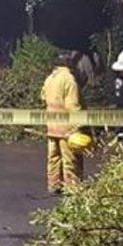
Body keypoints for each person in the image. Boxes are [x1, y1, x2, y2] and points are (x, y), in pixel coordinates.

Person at [40, 52, 82, 193]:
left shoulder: (50, 78)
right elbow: (73, 105)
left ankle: (54, 184)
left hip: (52, 125)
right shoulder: (69, 79)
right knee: (70, 158)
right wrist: (79, 126)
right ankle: (72, 187)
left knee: (53, 157)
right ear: (68, 63)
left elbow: (43, 99)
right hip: (67, 128)